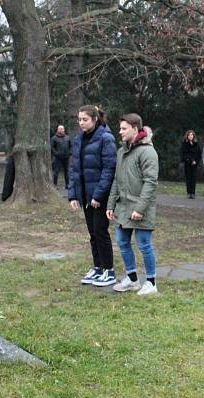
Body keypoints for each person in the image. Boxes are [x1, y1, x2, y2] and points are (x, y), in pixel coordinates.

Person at [107, 116, 159, 295]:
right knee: (122, 241)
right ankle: (132, 279)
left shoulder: (148, 152)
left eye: (123, 128)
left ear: (135, 129)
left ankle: (151, 283)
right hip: (123, 207)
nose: (120, 132)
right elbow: (117, 179)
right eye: (120, 128)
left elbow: (150, 183)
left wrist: (140, 208)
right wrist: (111, 204)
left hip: (141, 208)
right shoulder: (122, 152)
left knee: (144, 244)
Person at [68, 105, 118, 287]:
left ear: (95, 119)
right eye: (79, 119)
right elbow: (75, 169)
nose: (81, 123)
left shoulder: (106, 138)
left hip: (100, 196)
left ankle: (109, 270)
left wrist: (98, 195)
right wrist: (73, 195)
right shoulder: (79, 139)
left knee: (100, 231)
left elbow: (109, 169)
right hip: (86, 195)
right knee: (92, 233)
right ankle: (98, 268)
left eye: (85, 119)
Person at [180, 129, 201, 198]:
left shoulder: (196, 144)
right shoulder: (184, 144)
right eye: (189, 135)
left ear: (194, 136)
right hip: (188, 163)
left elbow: (199, 154)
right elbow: (184, 154)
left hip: (195, 164)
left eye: (192, 135)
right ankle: (189, 193)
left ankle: (193, 193)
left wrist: (196, 161)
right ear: (187, 136)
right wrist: (190, 160)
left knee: (193, 178)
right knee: (188, 178)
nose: (190, 136)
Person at [50, 125, 72, 190]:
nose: (62, 130)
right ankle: (55, 185)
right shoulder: (54, 138)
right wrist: (56, 153)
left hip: (66, 157)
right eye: (61, 129)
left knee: (66, 171)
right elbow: (52, 147)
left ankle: (67, 185)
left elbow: (71, 146)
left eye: (63, 129)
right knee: (56, 171)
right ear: (58, 130)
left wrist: (70, 152)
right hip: (58, 158)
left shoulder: (67, 137)